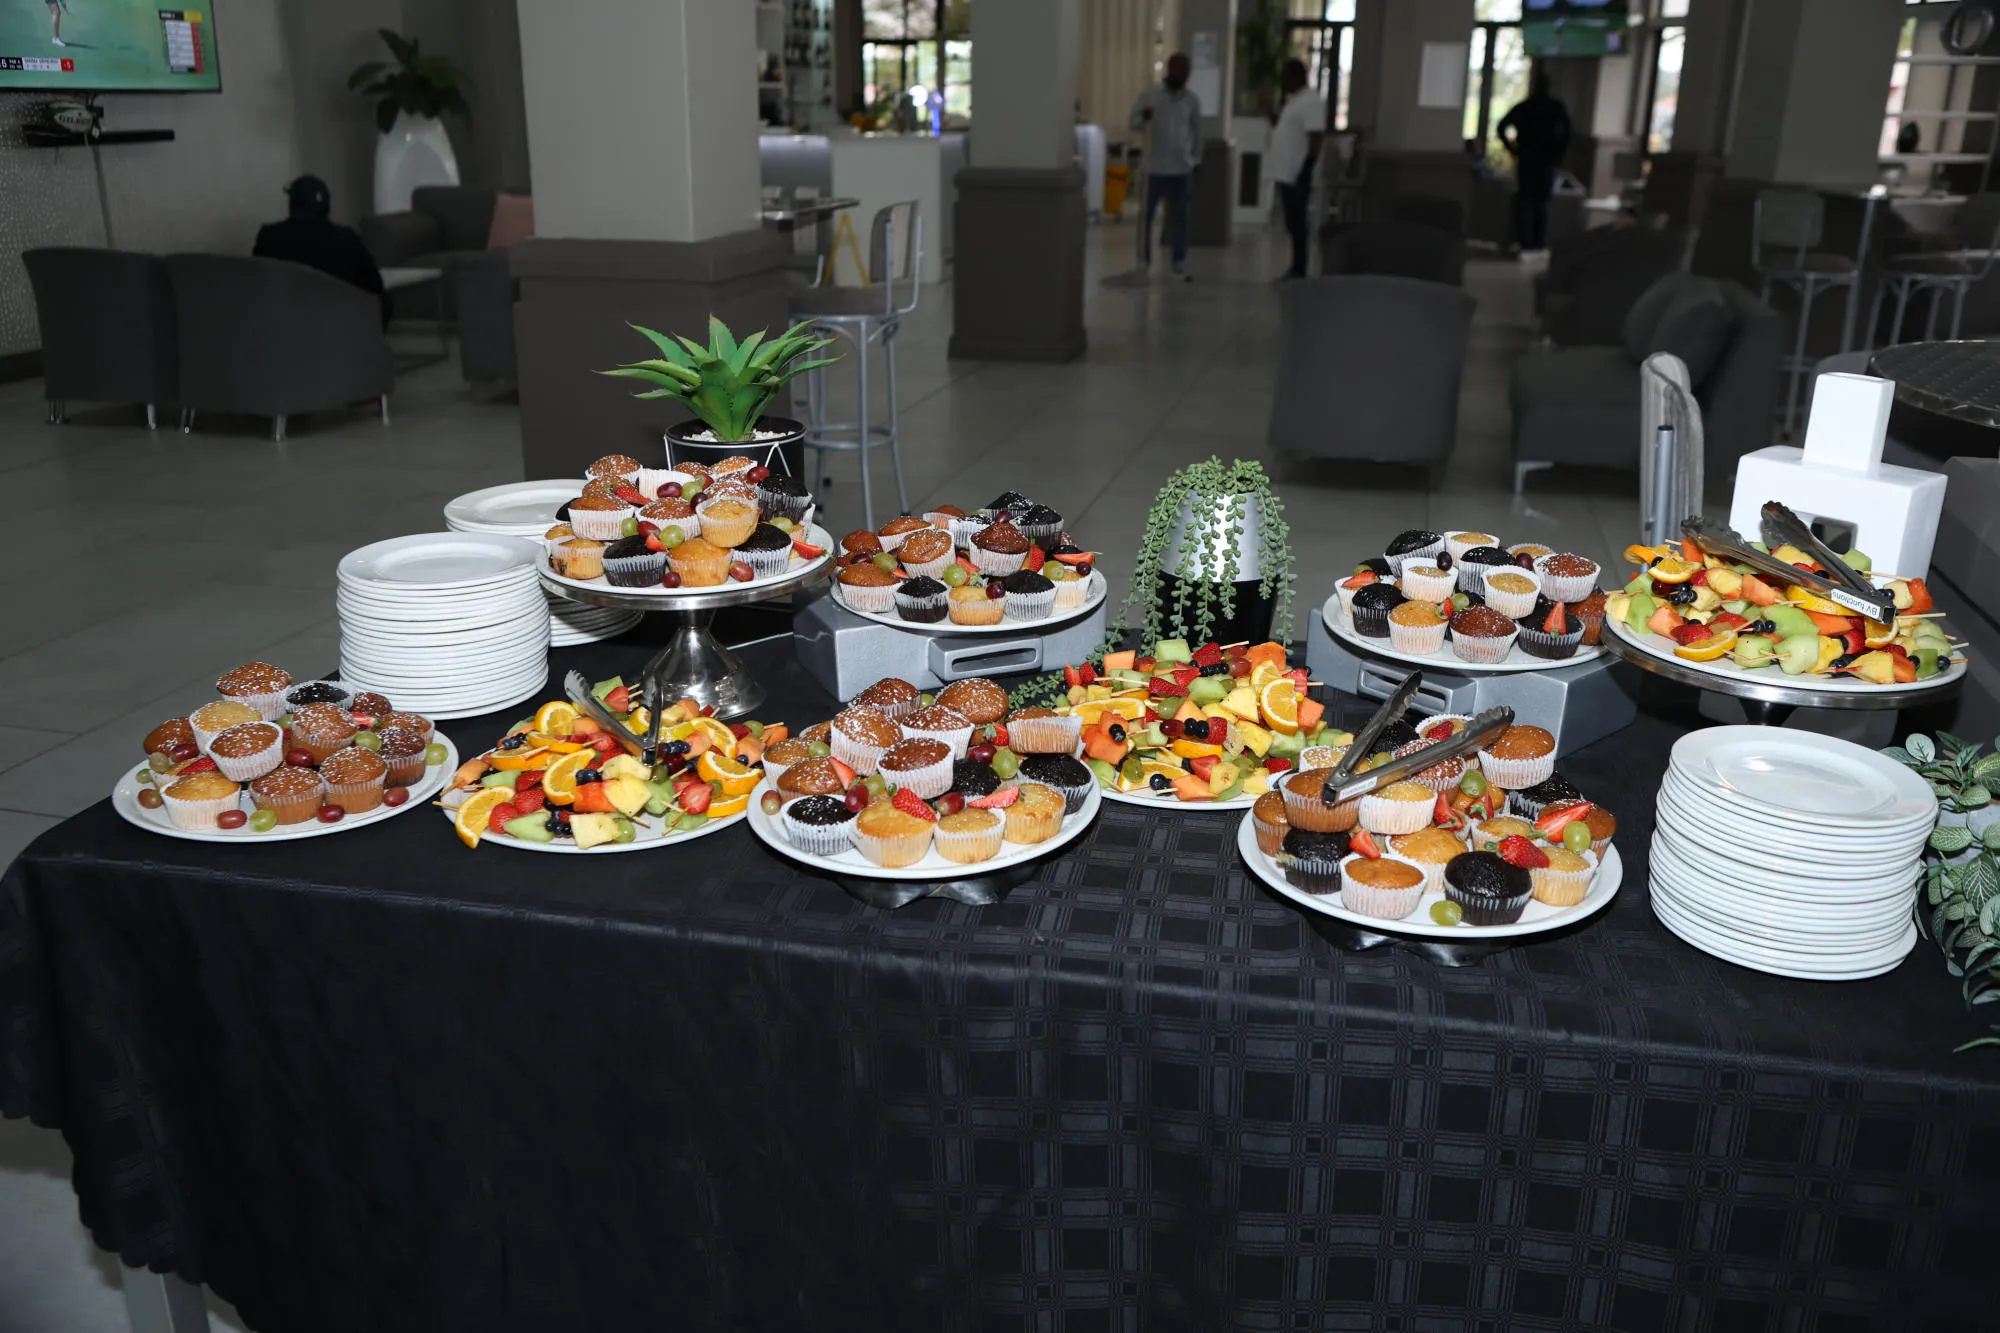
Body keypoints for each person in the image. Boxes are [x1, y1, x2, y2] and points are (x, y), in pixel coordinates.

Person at [253, 175, 389, 326]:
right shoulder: (347, 240)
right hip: (338, 332)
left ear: (292, 204)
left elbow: (256, 291)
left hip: (282, 331)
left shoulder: (269, 237)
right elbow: (376, 290)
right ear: (327, 208)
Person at [1130, 52, 1203, 281]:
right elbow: (1133, 122)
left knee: (1181, 218)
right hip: (1153, 168)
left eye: (1187, 71)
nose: (1184, 74)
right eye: (1180, 69)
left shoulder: (1192, 100)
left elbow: (1197, 132)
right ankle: (1143, 261)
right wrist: (1144, 116)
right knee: (1146, 217)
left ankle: (1179, 261)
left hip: (1181, 169)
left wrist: (1196, 160)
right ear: (1170, 69)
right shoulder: (1151, 95)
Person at [1497, 70, 1572, 255]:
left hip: (1527, 159)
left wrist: (1513, 149)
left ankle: (1525, 242)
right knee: (1541, 204)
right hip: (1546, 160)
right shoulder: (1555, 107)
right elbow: (1568, 131)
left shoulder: (1524, 107)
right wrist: (1559, 152)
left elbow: (1501, 127)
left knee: (1525, 202)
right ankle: (1538, 243)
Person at [1266, 58, 1325, 281]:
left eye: (1284, 77)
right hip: (1285, 173)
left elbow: (1316, 136)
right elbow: (1286, 129)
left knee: (1298, 223)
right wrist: (1270, 114)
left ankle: (1300, 269)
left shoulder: (1310, 101)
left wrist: (1307, 168)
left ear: (1295, 77)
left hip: (1297, 174)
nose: (1281, 81)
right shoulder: (1294, 101)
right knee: (1292, 222)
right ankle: (1296, 266)